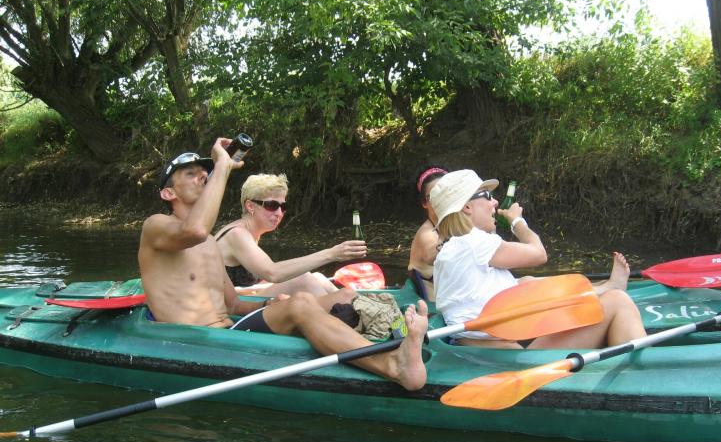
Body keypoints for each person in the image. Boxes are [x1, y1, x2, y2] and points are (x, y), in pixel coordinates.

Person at [138, 139, 428, 390]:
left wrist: (268, 304)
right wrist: (222, 167)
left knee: (337, 296)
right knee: (301, 303)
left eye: (205, 173)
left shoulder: (210, 243)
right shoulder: (156, 225)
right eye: (191, 174)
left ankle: (399, 335)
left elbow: (233, 304)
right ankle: (393, 365)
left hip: (229, 330)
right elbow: (195, 230)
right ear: (168, 193)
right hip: (195, 341)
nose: (203, 176)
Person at [429, 169, 645, 349]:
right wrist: (517, 222)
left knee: (525, 282)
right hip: (510, 359)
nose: (494, 202)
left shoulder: (446, 254)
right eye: (486, 195)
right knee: (618, 302)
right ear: (467, 207)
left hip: (487, 347)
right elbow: (539, 253)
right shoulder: (473, 242)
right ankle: (645, 371)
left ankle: (604, 287)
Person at [214, 173, 367, 296]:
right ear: (250, 206)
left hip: (244, 298)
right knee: (303, 280)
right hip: (230, 310)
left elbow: (253, 283)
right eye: (271, 205)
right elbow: (273, 273)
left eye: (283, 206)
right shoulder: (237, 234)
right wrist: (332, 254)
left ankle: (357, 309)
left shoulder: (253, 232)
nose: (279, 213)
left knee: (318, 278)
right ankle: (345, 317)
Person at [407, 165, 448, 300]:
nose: (441, 199)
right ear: (425, 203)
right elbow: (431, 255)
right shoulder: (427, 233)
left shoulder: (459, 225)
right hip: (431, 300)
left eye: (446, 192)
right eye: (434, 195)